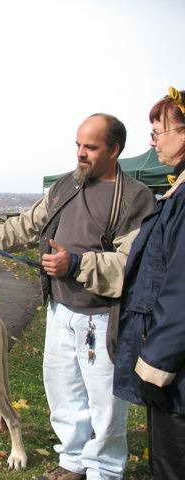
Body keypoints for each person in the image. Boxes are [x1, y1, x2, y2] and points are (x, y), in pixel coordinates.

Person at [0, 113, 155, 480]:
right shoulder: (64, 186)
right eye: (77, 144)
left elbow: (131, 263)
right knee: (63, 390)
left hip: (103, 316)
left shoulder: (136, 198)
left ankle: (104, 469)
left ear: (115, 150)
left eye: (91, 147)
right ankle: (72, 460)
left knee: (105, 402)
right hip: (59, 309)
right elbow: (24, 225)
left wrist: (75, 263)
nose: (80, 154)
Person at [113, 87, 185, 480]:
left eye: (159, 131)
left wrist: (156, 363)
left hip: (175, 374)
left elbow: (179, 291)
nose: (153, 140)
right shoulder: (176, 194)